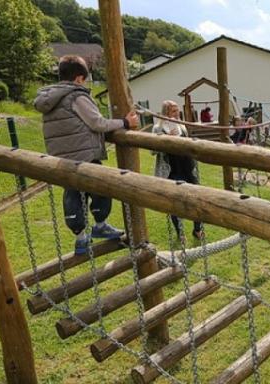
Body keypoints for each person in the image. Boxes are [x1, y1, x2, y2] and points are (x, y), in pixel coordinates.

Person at [34, 55, 136, 254]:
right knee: (102, 186)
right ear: (79, 78)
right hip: (84, 154)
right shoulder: (77, 96)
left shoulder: (50, 98)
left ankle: (81, 238)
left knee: (73, 193)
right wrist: (124, 123)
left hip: (61, 157)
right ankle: (100, 224)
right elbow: (97, 123)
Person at [153, 100, 204, 242]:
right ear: (166, 112)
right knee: (175, 201)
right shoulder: (158, 128)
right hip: (172, 169)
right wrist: (168, 139)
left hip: (187, 166)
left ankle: (197, 229)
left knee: (196, 197)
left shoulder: (181, 126)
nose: (177, 113)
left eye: (177, 110)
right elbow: (153, 150)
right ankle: (180, 232)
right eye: (174, 111)